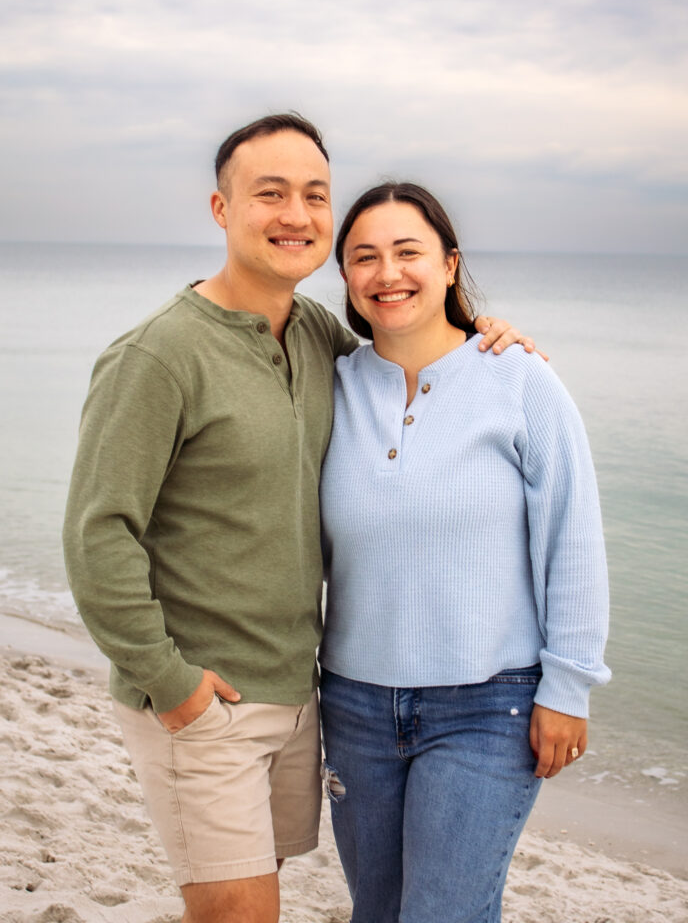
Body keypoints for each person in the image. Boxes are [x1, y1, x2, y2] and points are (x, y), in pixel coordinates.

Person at [62, 116, 529, 923]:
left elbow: (408, 354)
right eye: (269, 193)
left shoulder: (316, 335)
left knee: (242, 897)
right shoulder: (158, 356)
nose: (297, 215)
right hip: (200, 692)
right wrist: (169, 684)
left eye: (315, 195)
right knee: (241, 912)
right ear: (221, 207)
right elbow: (97, 534)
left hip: (298, 688)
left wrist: (484, 334)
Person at [318, 182, 611, 923]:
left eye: (408, 252)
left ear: (449, 264)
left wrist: (568, 686)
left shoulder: (519, 379)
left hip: (489, 705)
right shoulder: (331, 385)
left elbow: (571, 537)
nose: (388, 273)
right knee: (377, 912)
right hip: (353, 704)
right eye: (364, 257)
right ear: (346, 278)